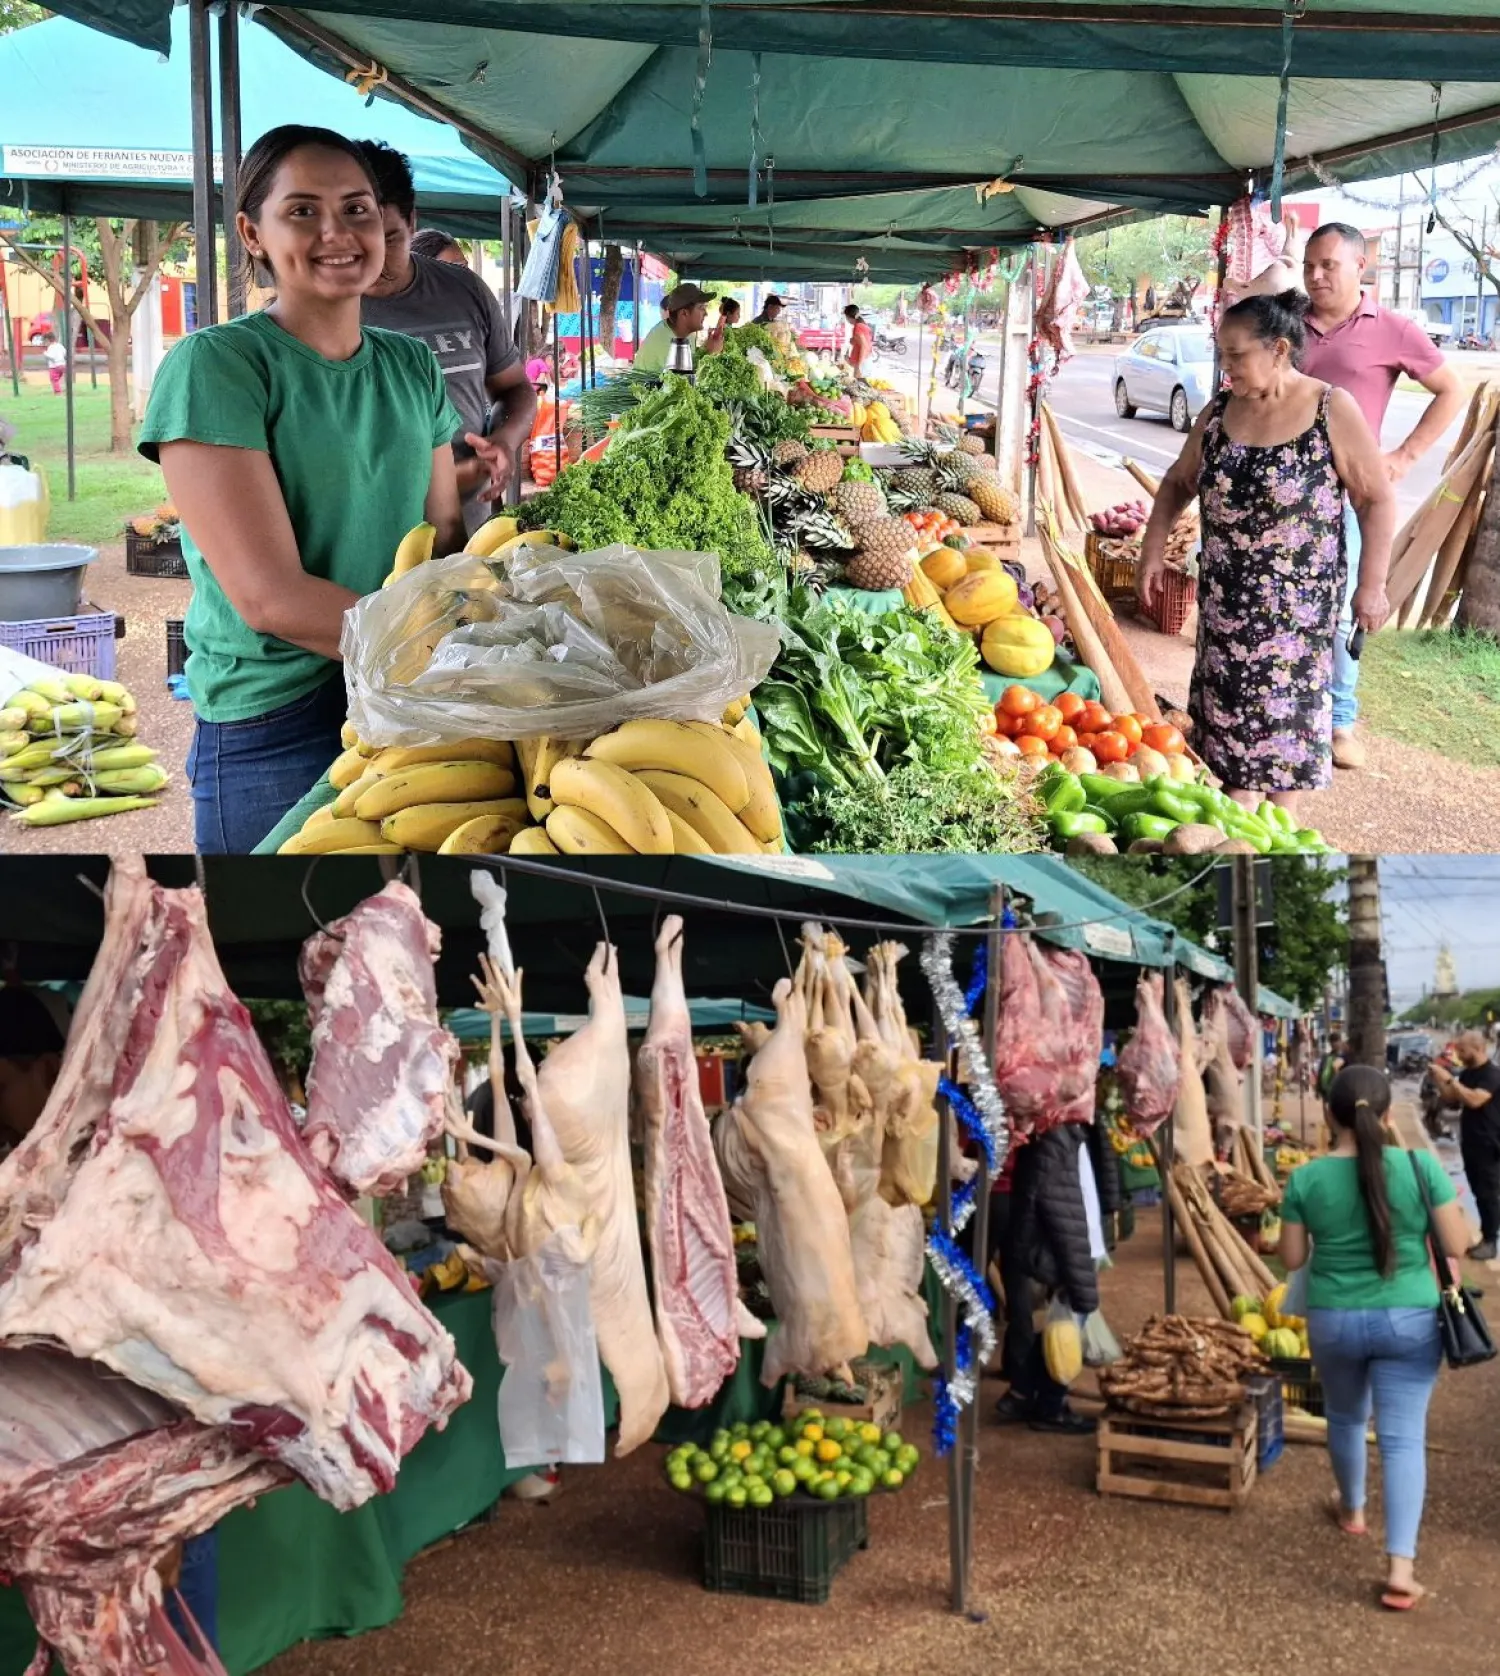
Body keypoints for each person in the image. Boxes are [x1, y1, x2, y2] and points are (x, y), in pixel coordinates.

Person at [139, 124, 466, 855]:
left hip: (406, 698)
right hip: (278, 720)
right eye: (303, 211)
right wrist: (463, 647)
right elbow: (270, 596)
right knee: (274, 954)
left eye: (356, 209)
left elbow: (445, 533)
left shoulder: (411, 365)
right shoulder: (217, 366)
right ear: (253, 233)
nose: (337, 232)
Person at [1138, 292, 1395, 812]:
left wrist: (1373, 585)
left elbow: (1376, 497)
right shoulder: (1218, 411)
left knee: (1283, 753)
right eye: (1221, 354)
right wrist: (1151, 553)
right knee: (1225, 750)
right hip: (1224, 614)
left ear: (1278, 349)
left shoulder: (1330, 407)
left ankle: (1276, 851)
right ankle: (1232, 846)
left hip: (1294, 626)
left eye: (1236, 355)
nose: (1225, 367)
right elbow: (1176, 484)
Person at [1279, 1065, 1469, 1611]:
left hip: (1334, 1319)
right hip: (1410, 1319)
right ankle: (1401, 1569)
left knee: (1343, 1417)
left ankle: (1353, 1510)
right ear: (1387, 1114)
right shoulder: (1418, 1165)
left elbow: (1291, 1259)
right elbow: (1456, 1241)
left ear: (1328, 1116)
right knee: (1403, 1438)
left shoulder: (1305, 1179)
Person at [1299, 224, 1464, 771]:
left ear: (1360, 267)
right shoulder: (1285, 322)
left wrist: (1403, 458)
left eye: (1329, 265)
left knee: (1349, 604)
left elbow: (1450, 391)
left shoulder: (1392, 328)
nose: (1317, 276)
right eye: (1310, 266)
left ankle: (1341, 720)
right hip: (1285, 497)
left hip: (1350, 495)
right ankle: (1293, 710)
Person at [356, 142, 535, 535]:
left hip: (468, 529)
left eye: (389, 238)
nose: (372, 257)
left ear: (412, 222)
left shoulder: (465, 290)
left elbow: (515, 387)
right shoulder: (324, 315)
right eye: (358, 236)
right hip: (371, 544)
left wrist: (504, 441)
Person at [1429, 1029, 1500, 1260]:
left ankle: (1491, 1241)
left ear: (1477, 1048)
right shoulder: (1469, 1073)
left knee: (1488, 1193)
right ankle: (1485, 1235)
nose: (1458, 1053)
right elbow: (1452, 1099)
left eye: (1462, 1049)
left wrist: (1450, 1079)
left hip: (1489, 1142)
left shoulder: (1491, 1074)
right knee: (1479, 1191)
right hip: (1471, 1142)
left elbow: (1474, 1099)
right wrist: (1440, 1081)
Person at [634, 283, 717, 374]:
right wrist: (709, 352)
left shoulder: (686, 333)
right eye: (701, 308)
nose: (706, 314)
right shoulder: (664, 341)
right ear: (684, 314)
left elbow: (691, 363)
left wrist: (705, 349)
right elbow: (684, 382)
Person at [844, 303, 873, 378]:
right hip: (865, 361)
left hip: (863, 364)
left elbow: (864, 347)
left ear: (848, 317)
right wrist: (853, 341)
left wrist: (859, 367)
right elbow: (861, 343)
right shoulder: (862, 325)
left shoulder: (858, 327)